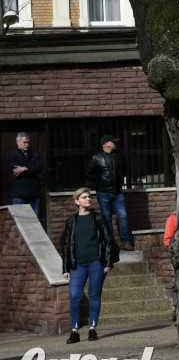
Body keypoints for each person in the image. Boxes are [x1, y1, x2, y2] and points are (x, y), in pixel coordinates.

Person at [60, 188, 115, 343]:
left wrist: (108, 262)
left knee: (94, 295)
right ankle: (75, 331)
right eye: (84, 197)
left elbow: (109, 239)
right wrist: (65, 268)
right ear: (77, 201)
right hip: (77, 265)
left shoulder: (98, 218)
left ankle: (92, 329)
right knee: (75, 296)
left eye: (89, 197)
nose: (88, 199)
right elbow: (65, 245)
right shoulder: (71, 221)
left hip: (96, 263)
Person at [84, 134, 132, 250]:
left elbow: (125, 170)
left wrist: (119, 178)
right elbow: (87, 172)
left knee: (123, 216)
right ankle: (110, 244)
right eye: (113, 141)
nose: (115, 143)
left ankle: (126, 242)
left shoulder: (119, 156)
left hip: (118, 192)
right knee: (107, 218)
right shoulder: (96, 158)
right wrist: (99, 181)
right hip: (103, 192)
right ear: (105, 144)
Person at [8, 132, 43, 216]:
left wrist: (24, 168)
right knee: (22, 222)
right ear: (17, 142)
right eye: (24, 142)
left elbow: (39, 168)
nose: (27, 144)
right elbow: (15, 171)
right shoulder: (11, 155)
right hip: (19, 194)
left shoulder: (34, 155)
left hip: (34, 194)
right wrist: (32, 170)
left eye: (28, 142)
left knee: (34, 222)